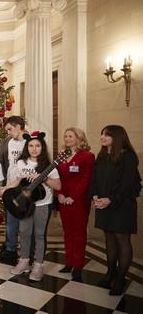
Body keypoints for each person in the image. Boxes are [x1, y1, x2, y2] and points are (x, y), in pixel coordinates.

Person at [1, 132, 61, 282]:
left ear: (42, 147)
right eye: (31, 146)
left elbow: (58, 185)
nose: (34, 149)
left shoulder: (48, 165)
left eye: (38, 146)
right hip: (25, 204)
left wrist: (44, 178)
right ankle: (24, 261)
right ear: (27, 147)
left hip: (42, 204)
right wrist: (6, 188)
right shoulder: (21, 163)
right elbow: (18, 180)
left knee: (39, 234)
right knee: (24, 232)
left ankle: (38, 265)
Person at [90, 125, 141, 295]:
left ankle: (120, 278)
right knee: (109, 238)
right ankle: (110, 273)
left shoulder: (128, 157)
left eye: (107, 135)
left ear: (117, 137)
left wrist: (110, 199)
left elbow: (127, 184)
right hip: (103, 203)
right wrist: (95, 195)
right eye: (102, 134)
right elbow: (95, 178)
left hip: (121, 204)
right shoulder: (102, 155)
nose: (102, 137)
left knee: (122, 240)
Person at [56, 128, 95, 280]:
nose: (67, 138)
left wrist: (73, 196)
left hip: (79, 200)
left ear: (79, 138)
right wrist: (59, 194)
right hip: (63, 199)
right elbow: (57, 177)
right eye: (65, 136)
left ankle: (78, 265)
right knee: (67, 232)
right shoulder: (61, 155)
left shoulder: (88, 156)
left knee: (79, 233)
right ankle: (69, 262)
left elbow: (86, 179)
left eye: (70, 136)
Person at [0, 116, 26, 262]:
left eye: (10, 129)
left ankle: (27, 251)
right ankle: (10, 248)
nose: (9, 132)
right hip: (10, 184)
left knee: (25, 220)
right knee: (11, 219)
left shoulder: (30, 142)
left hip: (25, 186)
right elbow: (4, 163)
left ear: (18, 126)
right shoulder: (8, 143)